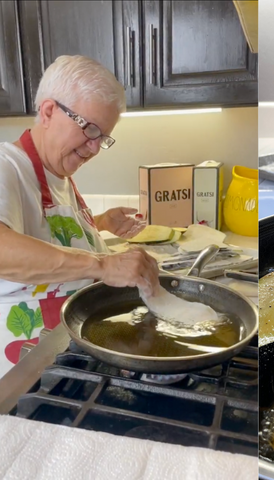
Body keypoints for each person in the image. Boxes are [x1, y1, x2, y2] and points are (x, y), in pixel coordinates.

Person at [0, 55, 160, 376]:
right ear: (48, 112)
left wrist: (99, 223)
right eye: (89, 129)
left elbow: (40, 234)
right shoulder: (7, 165)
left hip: (64, 358)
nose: (94, 148)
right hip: (23, 371)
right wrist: (101, 264)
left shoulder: (57, 175)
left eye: (103, 137)